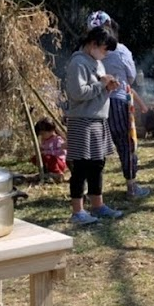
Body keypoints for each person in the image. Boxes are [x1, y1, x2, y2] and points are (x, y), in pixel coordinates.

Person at [64, 25, 125, 226]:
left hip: (98, 120)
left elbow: (97, 91)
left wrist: (108, 87)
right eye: (105, 49)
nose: (105, 54)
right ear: (93, 44)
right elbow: (78, 93)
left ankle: (98, 205)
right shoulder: (78, 63)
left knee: (97, 164)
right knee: (81, 166)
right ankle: (78, 211)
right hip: (82, 121)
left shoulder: (97, 63)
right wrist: (101, 84)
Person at [87, 11, 150, 200]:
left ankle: (91, 192)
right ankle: (132, 187)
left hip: (94, 104)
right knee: (125, 144)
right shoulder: (121, 50)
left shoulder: (85, 52)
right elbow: (130, 77)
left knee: (95, 148)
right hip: (117, 101)